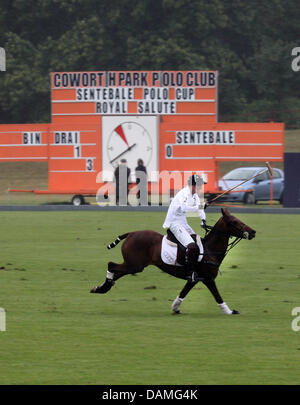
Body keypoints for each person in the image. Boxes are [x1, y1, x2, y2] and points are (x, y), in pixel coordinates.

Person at [163, 174, 207, 281]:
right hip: (174, 223)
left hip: (183, 223)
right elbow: (184, 209)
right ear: (193, 185)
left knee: (197, 241)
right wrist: (200, 206)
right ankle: (190, 272)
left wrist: (203, 220)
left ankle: (197, 266)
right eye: (200, 185)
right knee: (191, 246)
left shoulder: (195, 195)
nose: (201, 187)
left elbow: (200, 209)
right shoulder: (184, 194)